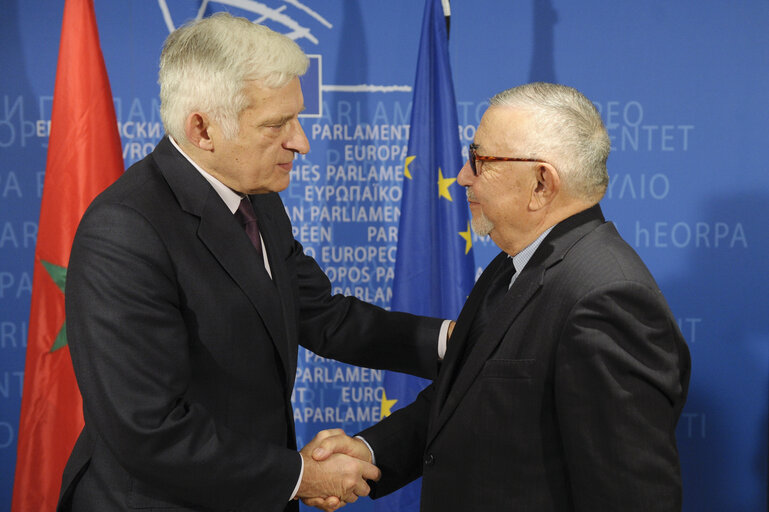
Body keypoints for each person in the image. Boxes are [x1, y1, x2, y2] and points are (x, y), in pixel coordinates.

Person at [57, 13, 450, 512]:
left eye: (298, 117)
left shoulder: (256, 196)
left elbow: (323, 315)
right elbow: (148, 429)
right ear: (201, 128)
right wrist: (303, 476)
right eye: (276, 125)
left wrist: (446, 342)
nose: (300, 141)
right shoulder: (126, 231)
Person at [308, 82, 691, 511]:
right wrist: (372, 453)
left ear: (541, 183)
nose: (462, 175)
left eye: (480, 159)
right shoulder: (513, 263)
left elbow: (630, 497)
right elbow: (463, 399)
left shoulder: (606, 300)